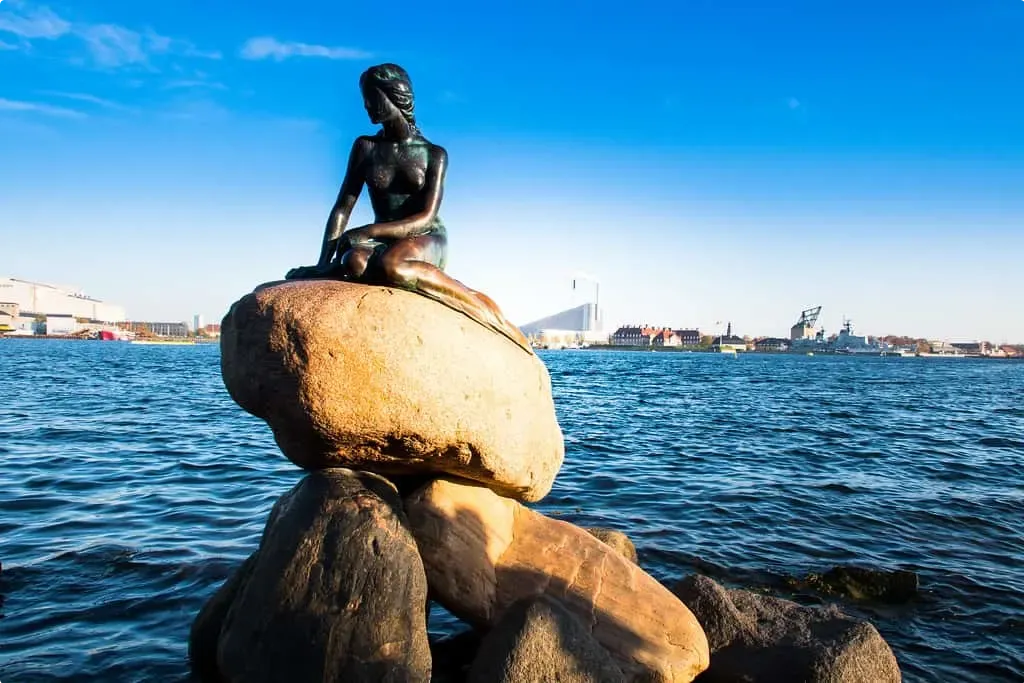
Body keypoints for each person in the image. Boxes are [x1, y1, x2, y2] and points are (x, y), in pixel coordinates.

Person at [286, 63, 531, 353]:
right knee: (352, 262)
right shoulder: (365, 147)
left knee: (393, 266)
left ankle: (472, 300)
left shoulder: (433, 154)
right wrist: (322, 264)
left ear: (396, 97)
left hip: (425, 235)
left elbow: (425, 216)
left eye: (372, 98)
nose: (366, 107)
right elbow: (343, 206)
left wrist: (368, 230)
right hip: (383, 239)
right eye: (364, 99)